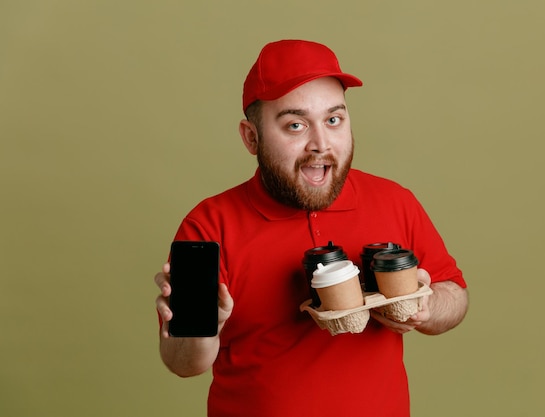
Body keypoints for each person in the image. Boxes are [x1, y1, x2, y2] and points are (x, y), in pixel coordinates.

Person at [154, 39, 468, 417]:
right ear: (251, 137)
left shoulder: (395, 201)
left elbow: (455, 294)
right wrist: (204, 327)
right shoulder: (206, 226)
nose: (321, 144)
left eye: (333, 120)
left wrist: (426, 307)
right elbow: (183, 364)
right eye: (295, 125)